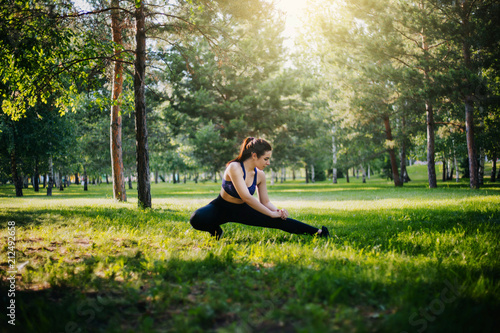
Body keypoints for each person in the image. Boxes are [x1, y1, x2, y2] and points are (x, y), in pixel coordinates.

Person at [189, 137, 330, 240]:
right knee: (197, 218)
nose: (268, 163)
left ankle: (319, 233)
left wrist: (277, 211)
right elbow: (246, 196)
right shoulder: (235, 167)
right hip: (221, 207)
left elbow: (265, 202)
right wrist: (270, 213)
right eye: (266, 159)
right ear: (254, 155)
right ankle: (216, 232)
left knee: (279, 221)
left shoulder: (260, 175)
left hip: (243, 210)